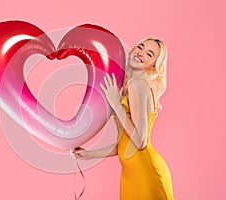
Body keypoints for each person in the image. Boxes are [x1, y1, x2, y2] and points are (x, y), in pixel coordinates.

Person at [72, 38, 174, 199]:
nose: (141, 53)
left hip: (146, 173)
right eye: (140, 47)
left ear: (153, 65)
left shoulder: (138, 84)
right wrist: (90, 155)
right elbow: (126, 143)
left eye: (149, 54)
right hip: (131, 174)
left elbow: (140, 141)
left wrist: (115, 104)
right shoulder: (130, 85)